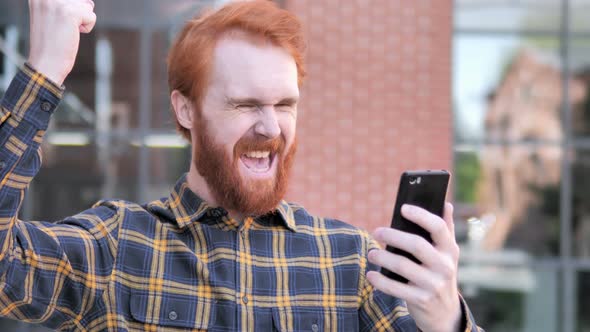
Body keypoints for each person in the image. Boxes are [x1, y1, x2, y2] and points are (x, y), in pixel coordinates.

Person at [0, 0, 482, 331]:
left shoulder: (352, 265)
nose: (271, 128)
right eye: (245, 105)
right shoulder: (114, 249)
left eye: (285, 104)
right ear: (186, 109)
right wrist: (43, 72)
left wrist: (447, 320)